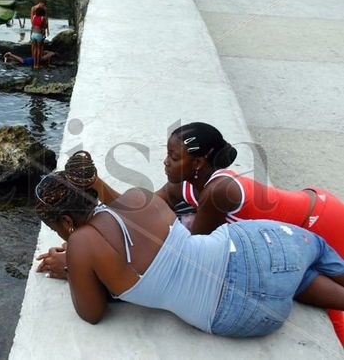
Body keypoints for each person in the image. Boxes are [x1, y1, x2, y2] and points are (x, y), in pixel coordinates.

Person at [40, 122, 344, 343]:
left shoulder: (81, 243)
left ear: (66, 222)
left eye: (55, 227)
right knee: (295, 270)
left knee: (293, 279)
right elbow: (127, 223)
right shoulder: (137, 197)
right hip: (273, 241)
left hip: (248, 313)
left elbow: (92, 313)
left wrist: (75, 267)